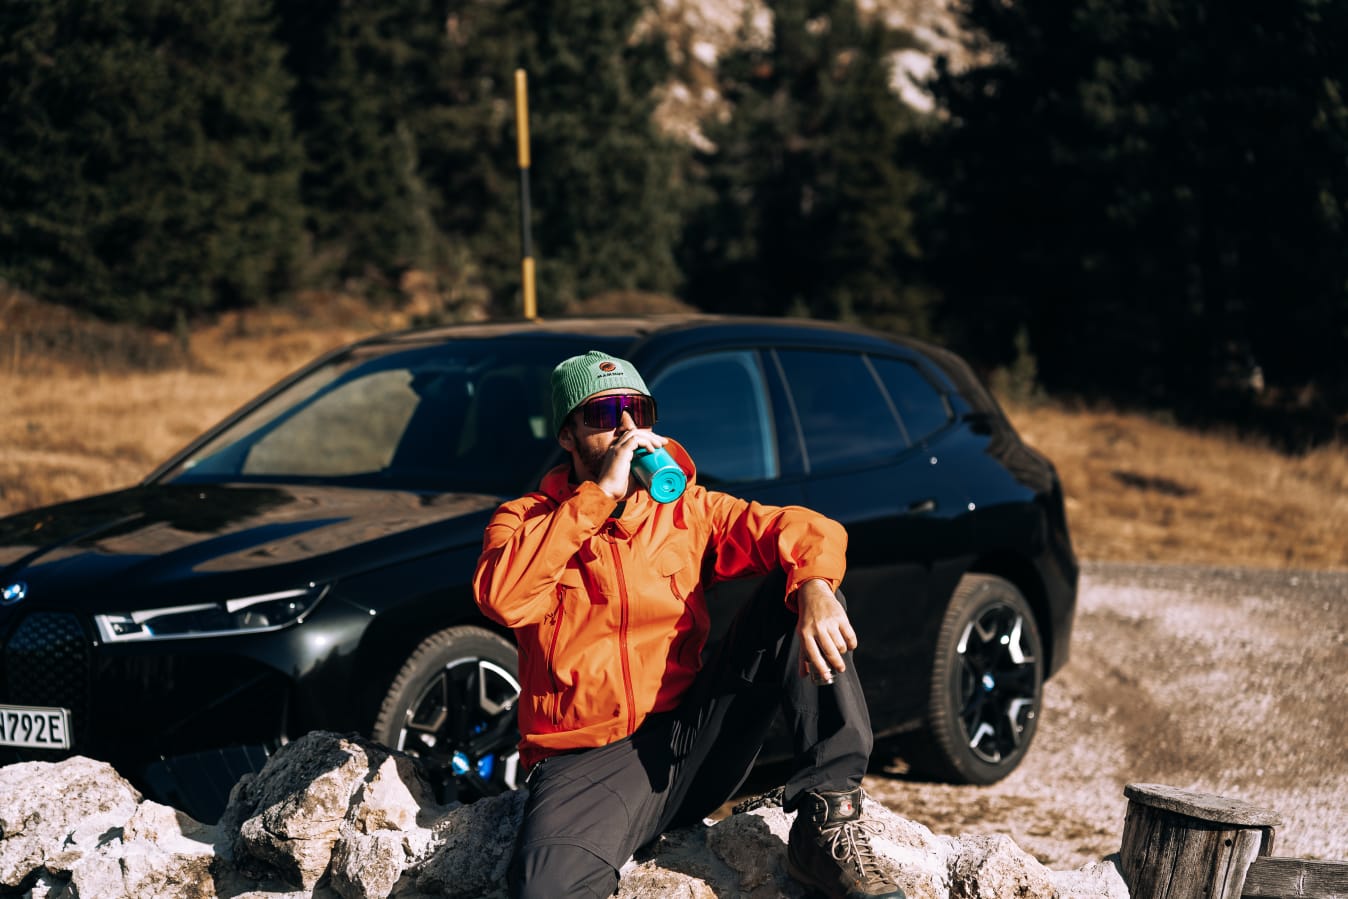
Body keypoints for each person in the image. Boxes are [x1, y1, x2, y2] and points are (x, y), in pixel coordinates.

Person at [473, 350, 904, 899]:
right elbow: (504, 599)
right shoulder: (526, 520)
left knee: (796, 590)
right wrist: (598, 496)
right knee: (545, 889)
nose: (628, 428)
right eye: (604, 415)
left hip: (693, 736)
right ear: (566, 435)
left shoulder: (688, 512)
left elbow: (803, 526)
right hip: (588, 763)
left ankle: (826, 824)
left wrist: (817, 587)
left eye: (639, 411)